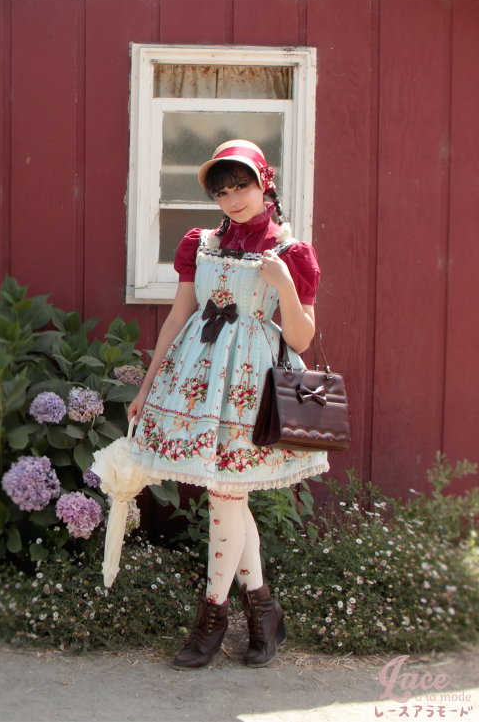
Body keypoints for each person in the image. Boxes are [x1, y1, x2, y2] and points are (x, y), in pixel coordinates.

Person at [127, 140, 329, 670]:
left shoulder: (291, 251)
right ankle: (264, 612)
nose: (231, 198)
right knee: (229, 496)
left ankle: (212, 616)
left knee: (226, 494)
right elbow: (177, 317)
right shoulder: (202, 242)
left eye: (240, 185)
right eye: (221, 190)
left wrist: (285, 286)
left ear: (265, 180)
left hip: (252, 388)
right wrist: (147, 388)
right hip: (197, 383)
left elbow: (304, 339)